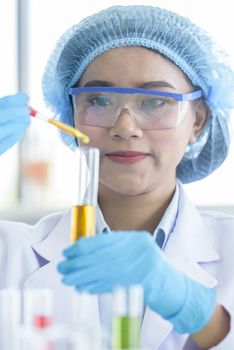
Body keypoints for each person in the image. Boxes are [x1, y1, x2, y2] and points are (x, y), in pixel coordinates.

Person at [1, 5, 234, 349]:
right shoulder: (10, 253)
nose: (125, 128)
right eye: (99, 99)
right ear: (72, 116)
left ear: (197, 120)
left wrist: (199, 313)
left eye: (156, 101)